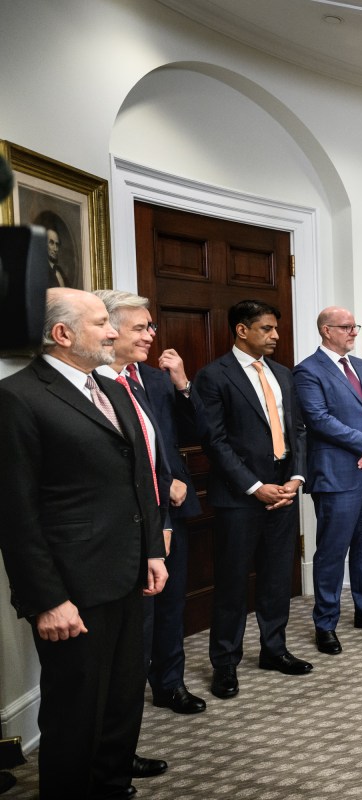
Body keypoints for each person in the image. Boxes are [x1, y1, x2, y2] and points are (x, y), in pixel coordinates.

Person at [0, 288, 168, 799]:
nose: (114, 331)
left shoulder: (113, 388)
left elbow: (139, 475)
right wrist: (47, 600)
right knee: (75, 712)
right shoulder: (18, 397)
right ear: (62, 334)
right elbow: (15, 512)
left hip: (127, 573)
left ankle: (113, 785)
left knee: (122, 700)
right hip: (71, 586)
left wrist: (152, 552)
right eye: (101, 323)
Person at [93, 291, 208, 716]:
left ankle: (169, 684)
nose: (150, 336)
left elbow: (193, 431)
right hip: (134, 517)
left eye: (150, 327)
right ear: (111, 330)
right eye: (140, 328)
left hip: (171, 509)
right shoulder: (98, 383)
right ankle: (125, 709)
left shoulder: (156, 379)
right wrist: (167, 480)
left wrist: (181, 384)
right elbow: (129, 454)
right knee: (138, 616)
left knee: (172, 602)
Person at [192, 299, 310, 700]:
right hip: (240, 497)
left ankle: (274, 650)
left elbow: (297, 429)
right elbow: (215, 441)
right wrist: (253, 486)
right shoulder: (213, 376)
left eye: (276, 328)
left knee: (277, 578)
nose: (275, 335)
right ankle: (225, 663)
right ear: (242, 330)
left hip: (284, 491)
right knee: (231, 582)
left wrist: (295, 478)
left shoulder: (283, 374)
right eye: (266, 328)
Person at [294, 307, 362, 656]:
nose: (353, 332)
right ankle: (325, 624)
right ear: (326, 330)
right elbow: (319, 419)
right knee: (332, 552)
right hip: (337, 476)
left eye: (354, 326)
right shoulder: (308, 371)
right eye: (346, 327)